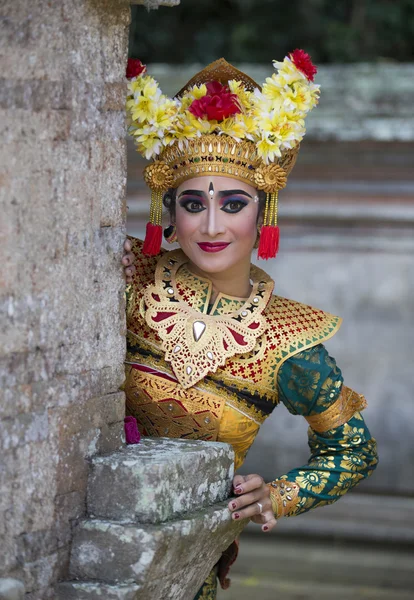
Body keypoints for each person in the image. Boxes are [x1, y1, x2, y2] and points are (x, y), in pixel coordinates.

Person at [121, 53, 378, 598]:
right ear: (169, 213)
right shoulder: (129, 277)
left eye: (233, 203)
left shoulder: (289, 339)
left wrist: (276, 496)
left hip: (187, 567)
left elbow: (354, 451)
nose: (211, 225)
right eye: (193, 204)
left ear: (264, 211)